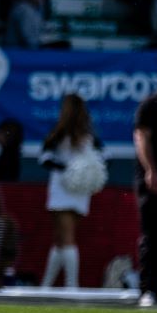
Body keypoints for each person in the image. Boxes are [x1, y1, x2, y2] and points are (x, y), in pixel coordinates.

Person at [39, 93, 99, 288]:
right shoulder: (64, 134)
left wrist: (78, 171)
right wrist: (71, 169)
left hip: (71, 189)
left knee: (66, 236)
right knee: (59, 238)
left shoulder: (81, 135)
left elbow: (45, 159)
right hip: (68, 188)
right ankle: (46, 285)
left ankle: (72, 285)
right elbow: (45, 158)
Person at [133, 58, 157, 306]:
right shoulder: (152, 106)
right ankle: (150, 289)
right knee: (154, 235)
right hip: (156, 181)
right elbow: (142, 138)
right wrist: (151, 170)